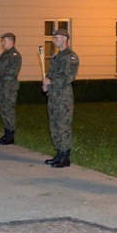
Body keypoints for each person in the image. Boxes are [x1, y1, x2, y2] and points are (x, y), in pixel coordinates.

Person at [42, 28, 79, 168]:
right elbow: (52, 75)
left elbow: (68, 77)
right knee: (54, 125)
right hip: (54, 96)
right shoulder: (57, 57)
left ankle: (65, 156)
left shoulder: (71, 57)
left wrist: (50, 82)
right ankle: (58, 152)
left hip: (63, 97)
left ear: (64, 39)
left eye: (56, 38)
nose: (54, 40)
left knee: (63, 125)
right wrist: (47, 84)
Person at [0, 33, 22, 145]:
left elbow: (12, 71)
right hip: (2, 85)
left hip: (9, 86)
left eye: (4, 41)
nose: (3, 43)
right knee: (3, 109)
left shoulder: (15, 55)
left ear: (11, 41)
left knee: (8, 109)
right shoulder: (5, 54)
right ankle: (6, 133)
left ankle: (10, 136)